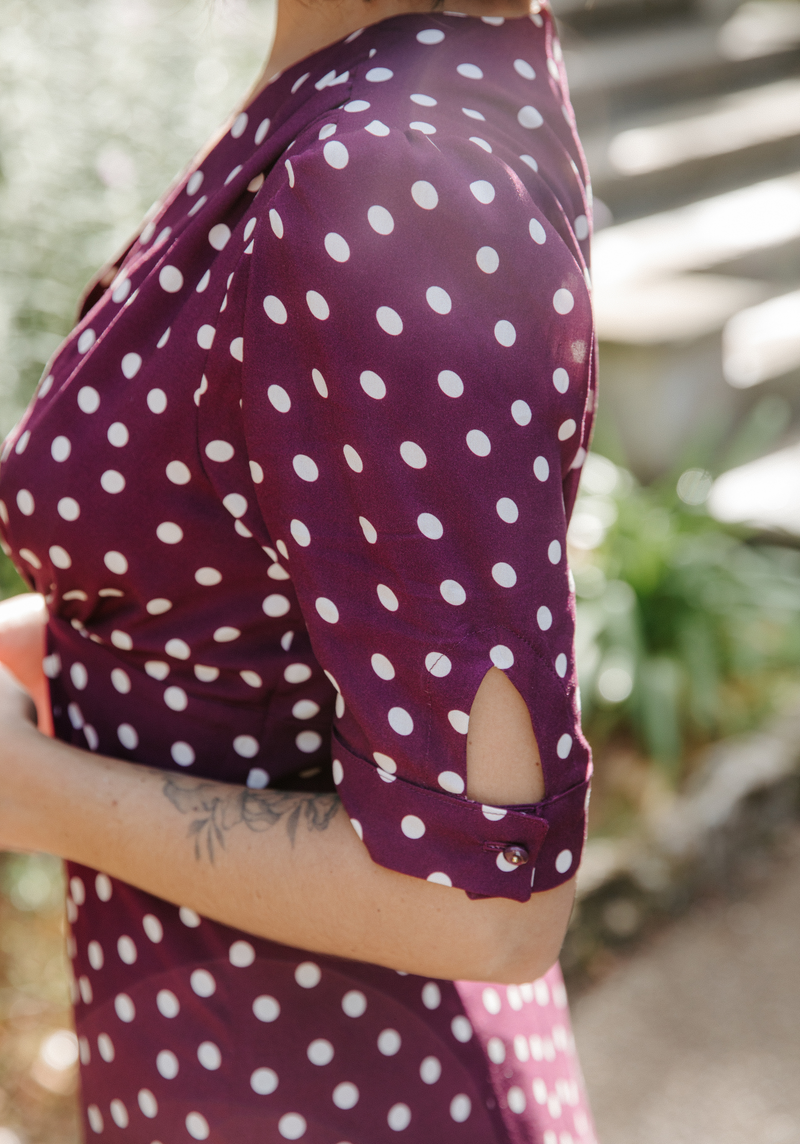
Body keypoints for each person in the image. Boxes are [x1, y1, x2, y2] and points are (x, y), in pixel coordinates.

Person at [0, 0, 597, 1139]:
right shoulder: (356, 80)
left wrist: (32, 792)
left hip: (337, 1093)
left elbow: (484, 905)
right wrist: (112, 642)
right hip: (240, 1059)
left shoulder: (381, 167)